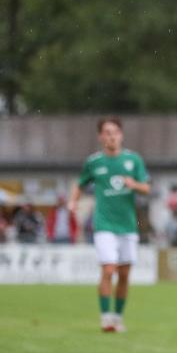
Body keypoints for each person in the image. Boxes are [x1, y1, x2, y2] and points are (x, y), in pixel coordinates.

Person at [69, 117, 150, 333]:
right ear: (100, 136)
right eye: (106, 132)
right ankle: (105, 319)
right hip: (104, 224)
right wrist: (72, 201)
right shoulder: (94, 162)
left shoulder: (133, 160)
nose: (111, 135)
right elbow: (80, 184)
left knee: (124, 275)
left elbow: (147, 188)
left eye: (114, 131)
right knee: (108, 269)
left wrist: (134, 184)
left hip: (128, 226)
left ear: (121, 135)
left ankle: (117, 317)